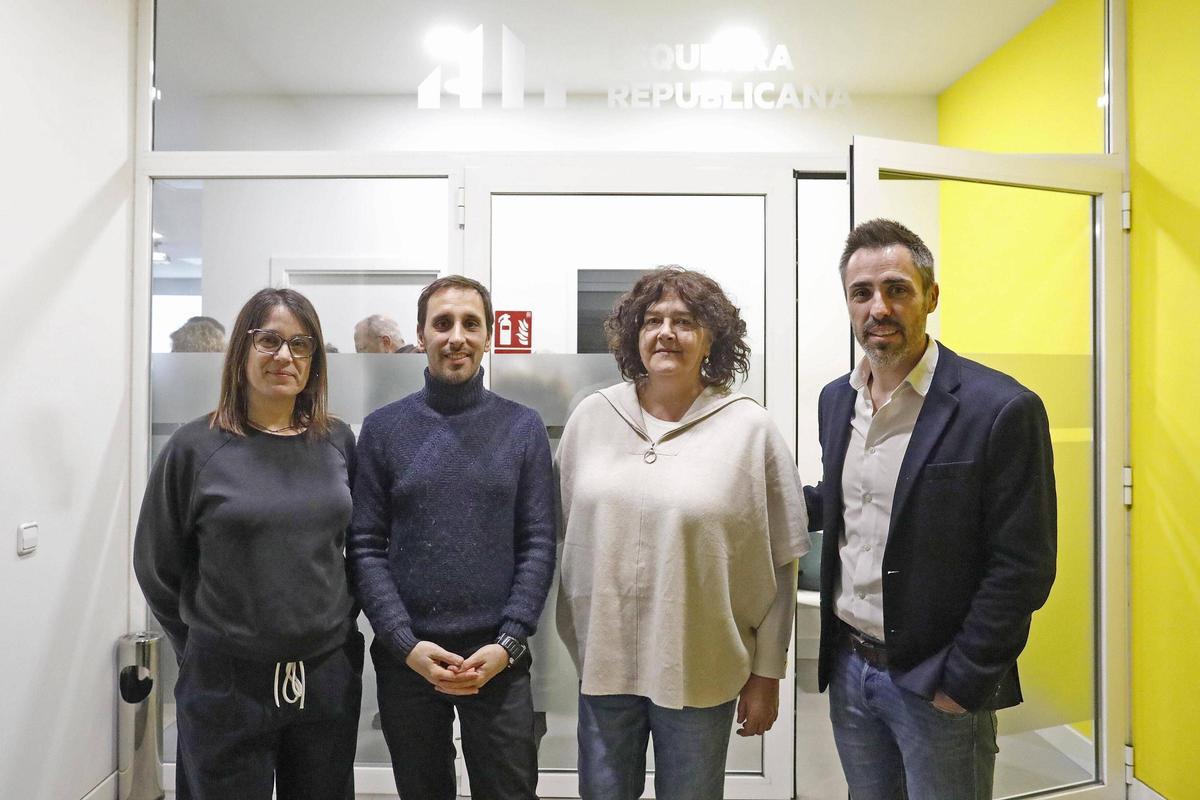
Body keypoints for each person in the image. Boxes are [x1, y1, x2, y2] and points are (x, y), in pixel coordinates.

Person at [806, 219, 1057, 799]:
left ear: (931, 296)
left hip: (937, 680)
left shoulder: (1000, 409)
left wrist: (963, 681)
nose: (879, 308)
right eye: (861, 293)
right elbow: (846, 501)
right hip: (850, 666)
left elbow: (1022, 567)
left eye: (897, 289)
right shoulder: (836, 399)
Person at [556, 267, 810, 800]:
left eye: (685, 321)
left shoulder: (749, 429)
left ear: (712, 336)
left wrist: (767, 673)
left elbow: (782, 560)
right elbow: (568, 537)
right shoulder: (591, 419)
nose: (666, 332)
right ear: (634, 335)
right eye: (652, 320)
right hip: (606, 668)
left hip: (701, 667)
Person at [134, 288, 363, 800]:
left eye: (300, 345)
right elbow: (157, 565)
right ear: (241, 351)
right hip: (226, 684)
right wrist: (203, 645)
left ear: (315, 361)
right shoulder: (195, 448)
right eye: (269, 341)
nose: (285, 356)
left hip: (324, 676)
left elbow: (358, 550)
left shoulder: (337, 443)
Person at [348, 275, 556, 800]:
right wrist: (403, 643)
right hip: (410, 659)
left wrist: (509, 641)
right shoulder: (382, 429)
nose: (456, 336)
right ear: (421, 334)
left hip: (498, 656)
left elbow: (537, 542)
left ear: (488, 335)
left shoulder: (522, 427)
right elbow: (366, 547)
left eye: (470, 323)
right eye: (442, 323)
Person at [355, 313, 420, 353]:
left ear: (386, 342)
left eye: (362, 349)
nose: (360, 357)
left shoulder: (399, 370)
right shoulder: (422, 359)